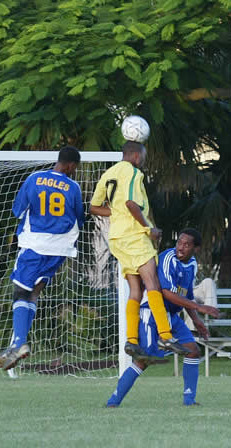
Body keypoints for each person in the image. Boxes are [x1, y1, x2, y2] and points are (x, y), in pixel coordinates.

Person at [89, 141, 188, 358]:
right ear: (135, 155)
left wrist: (117, 213)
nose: (143, 160)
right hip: (134, 236)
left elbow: (94, 207)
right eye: (143, 156)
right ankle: (165, 335)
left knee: (136, 289)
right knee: (153, 283)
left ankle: (132, 340)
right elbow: (131, 204)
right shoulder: (133, 172)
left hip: (117, 238)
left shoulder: (109, 173)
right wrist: (148, 229)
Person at [0, 146, 84, 371]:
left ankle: (19, 343)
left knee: (20, 292)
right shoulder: (74, 187)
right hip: (60, 249)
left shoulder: (34, 178)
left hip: (34, 245)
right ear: (71, 165)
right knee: (34, 293)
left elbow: (18, 210)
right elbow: (79, 219)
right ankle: (18, 343)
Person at [106, 228, 220, 407]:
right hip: (152, 313)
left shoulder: (192, 264)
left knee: (193, 350)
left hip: (172, 316)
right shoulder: (168, 258)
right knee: (143, 360)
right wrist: (199, 307)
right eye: (179, 242)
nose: (180, 247)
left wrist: (196, 320)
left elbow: (187, 295)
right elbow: (166, 293)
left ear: (196, 249)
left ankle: (189, 401)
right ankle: (113, 401)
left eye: (186, 245)